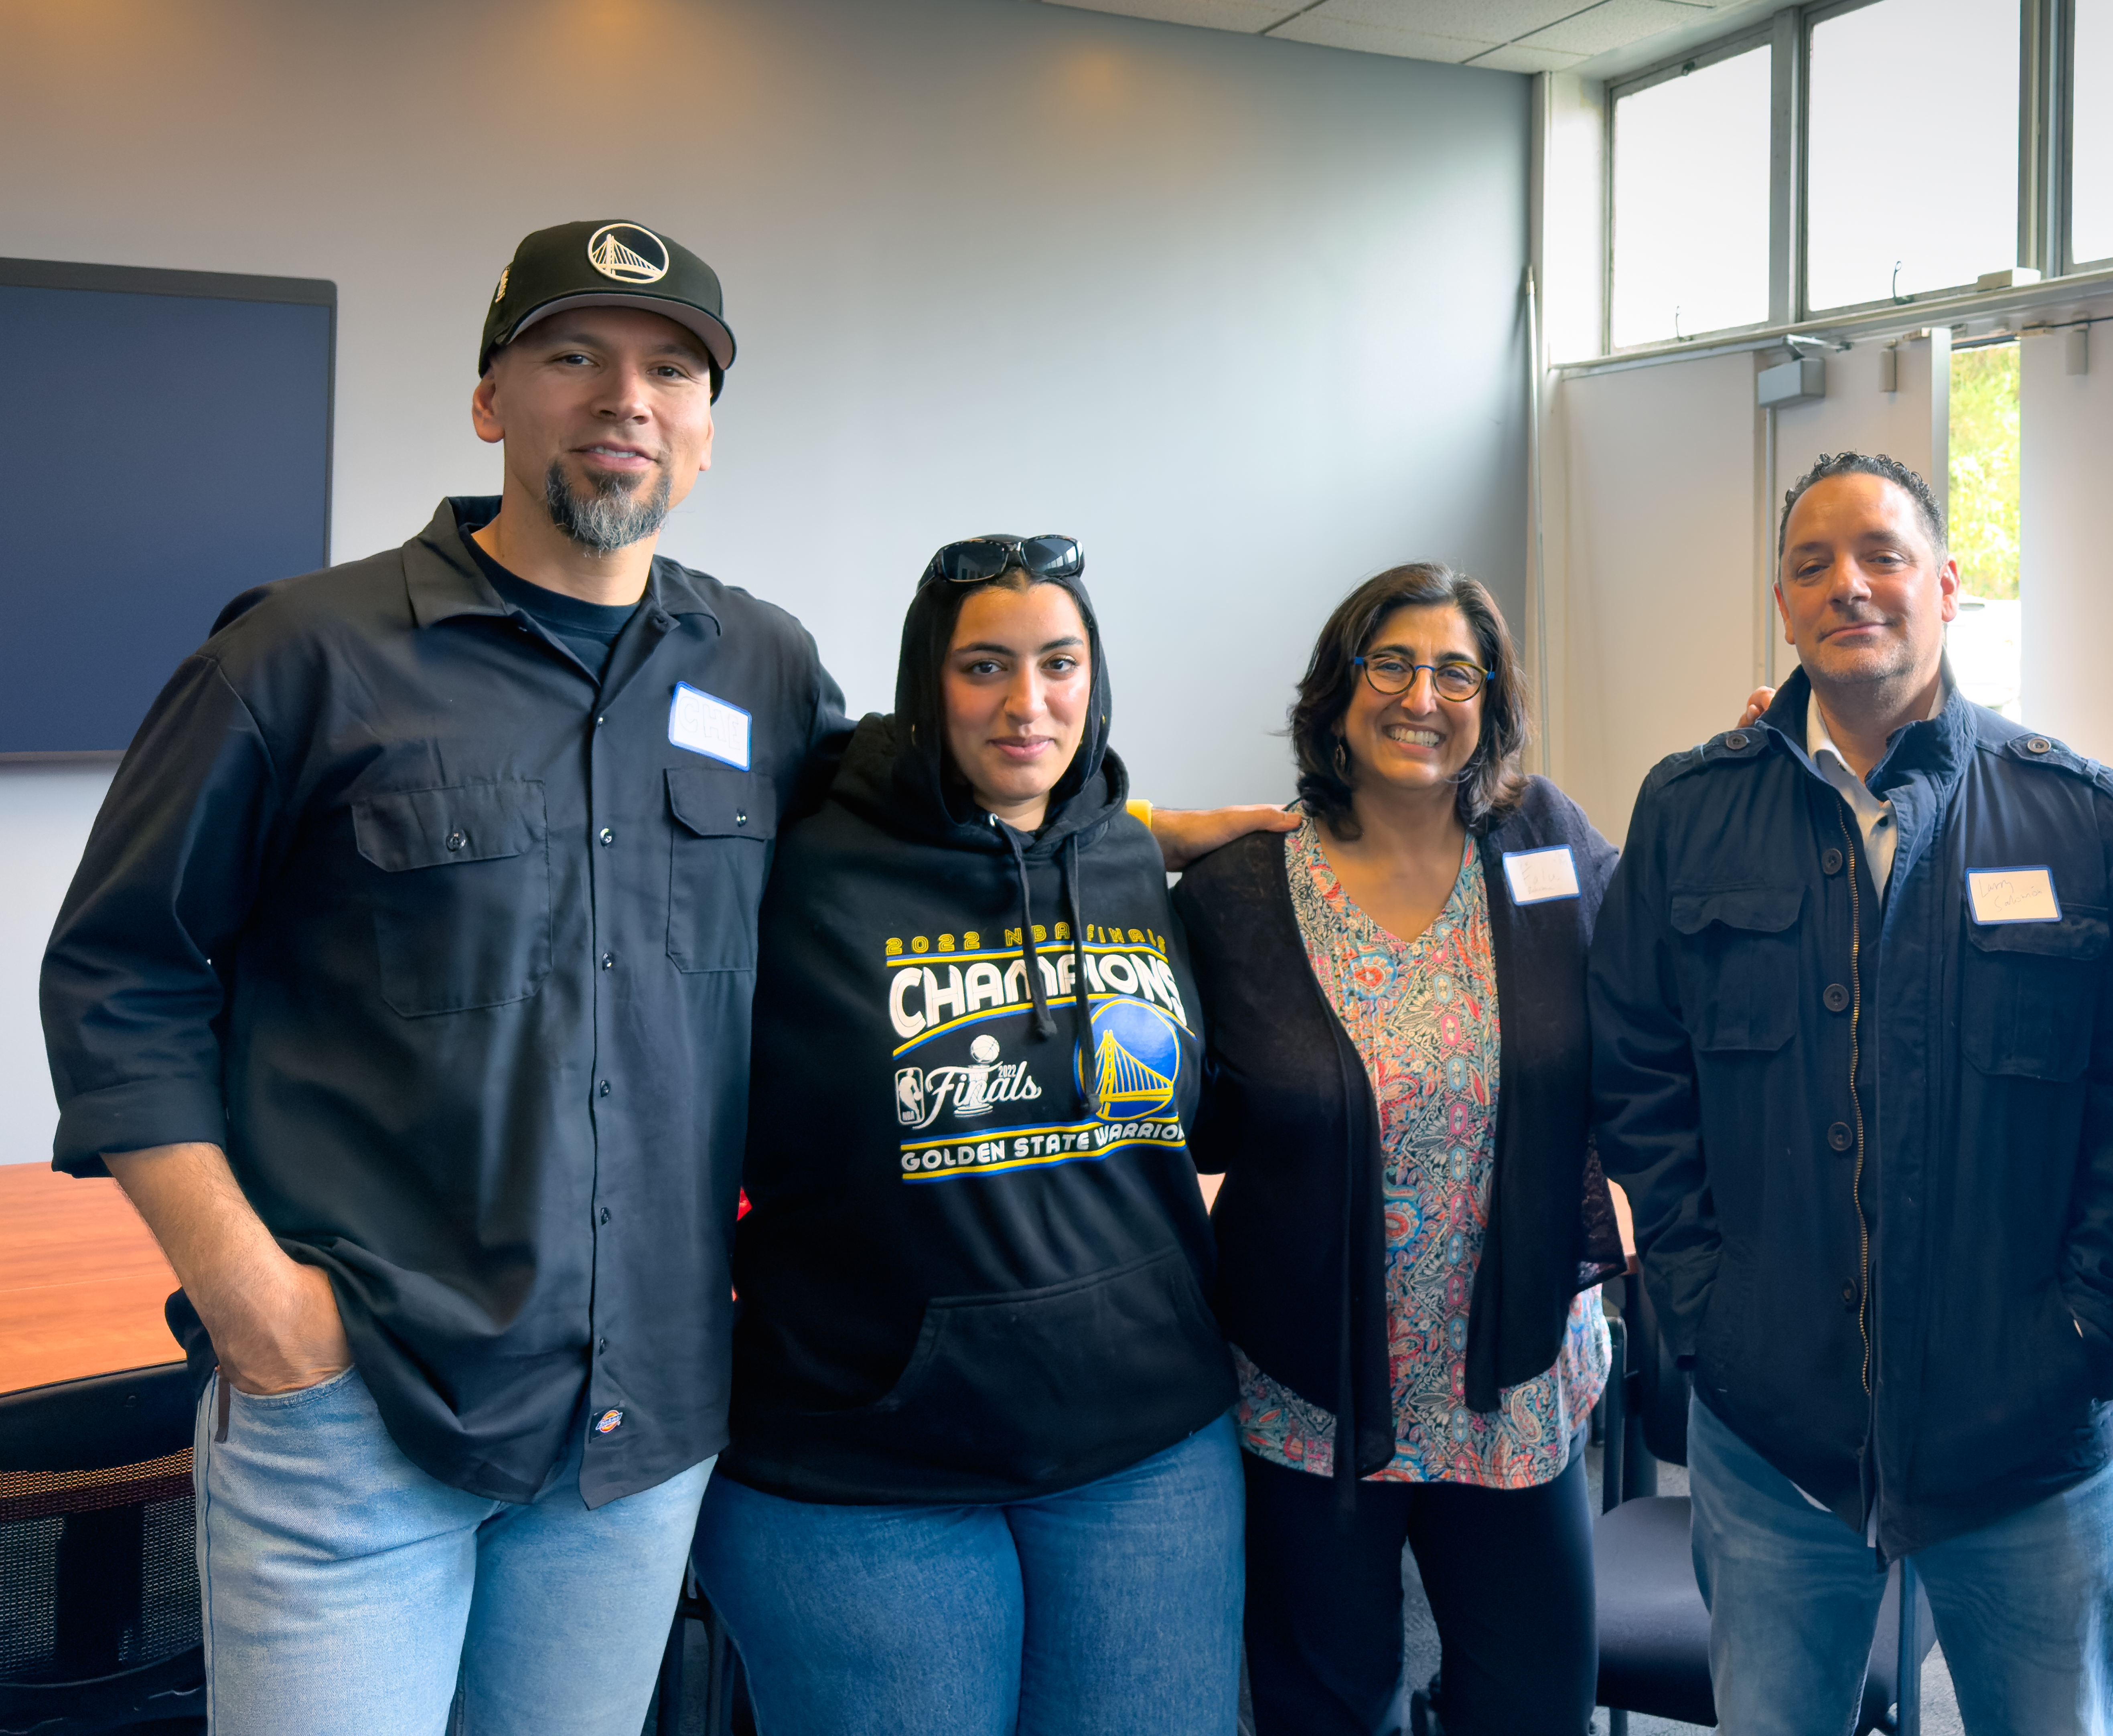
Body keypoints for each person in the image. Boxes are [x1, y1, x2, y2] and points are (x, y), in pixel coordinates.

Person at [37, 220, 1281, 1734]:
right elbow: (121, 970)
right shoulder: (306, 655)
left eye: (669, 370)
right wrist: (251, 1301)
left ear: (701, 434)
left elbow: (921, 814)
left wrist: (1147, 828)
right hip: (367, 1403)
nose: (626, 397)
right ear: (493, 400)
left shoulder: (757, 661)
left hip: (641, 1421)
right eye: (575, 357)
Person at [1593, 452, 2113, 1736]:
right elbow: (1638, 1078)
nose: (1848, 585)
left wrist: (2085, 1334)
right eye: (1812, 564)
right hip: (1773, 1443)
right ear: (1785, 604)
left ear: (1948, 586)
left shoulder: (2077, 816)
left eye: (1882, 555)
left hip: (2028, 1443)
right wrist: (1703, 1308)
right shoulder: (1692, 812)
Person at [695, 536, 1242, 1736]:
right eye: (983, 666)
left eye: (1060, 663)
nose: (1027, 701)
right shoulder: (801, 858)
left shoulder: (1127, 859)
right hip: (864, 1465)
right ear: (922, 679)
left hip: (1145, 1447)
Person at [1173, 563, 1625, 1736]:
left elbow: (1671, 936)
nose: (1424, 694)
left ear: (1492, 701)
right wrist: (1160, 827)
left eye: (1457, 671)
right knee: (1324, 1706)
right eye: (1393, 663)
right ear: (1336, 693)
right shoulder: (1237, 890)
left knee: (1533, 1707)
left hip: (1511, 1378)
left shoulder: (1548, 844)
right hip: (1308, 1389)